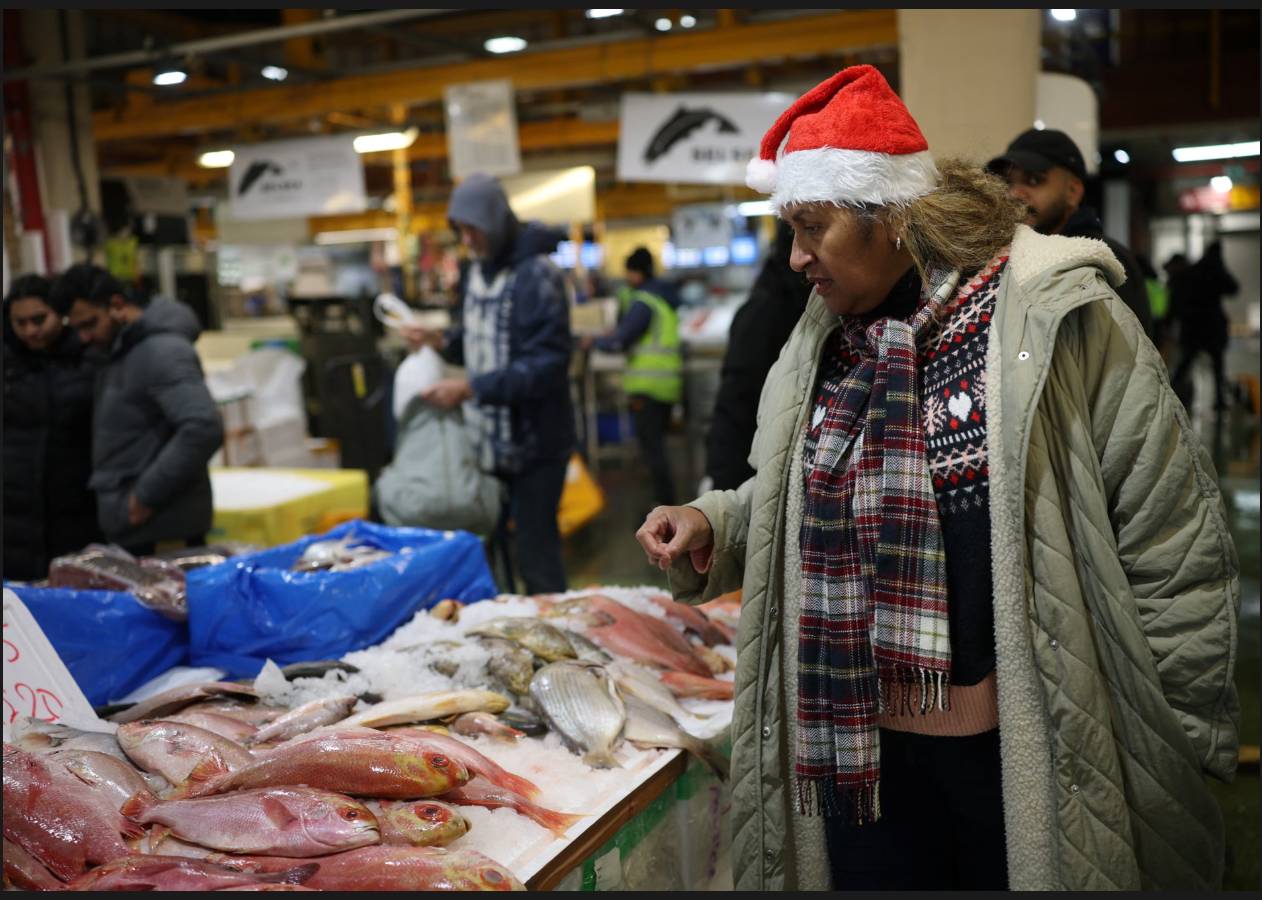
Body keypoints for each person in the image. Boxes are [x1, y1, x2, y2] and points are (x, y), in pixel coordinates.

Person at [635, 65, 1239, 891]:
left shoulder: (1053, 317)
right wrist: (719, 521)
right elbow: (807, 486)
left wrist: (1177, 737)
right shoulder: (823, 340)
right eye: (790, 230)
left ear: (890, 215)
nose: (797, 256)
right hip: (857, 750)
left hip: (1024, 751)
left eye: (812, 227)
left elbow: (1169, 533)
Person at [400, 173, 575, 595]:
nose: (467, 239)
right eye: (460, 230)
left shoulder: (538, 276)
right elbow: (479, 338)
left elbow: (547, 365)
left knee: (536, 556)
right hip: (488, 448)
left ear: (495, 222)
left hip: (536, 447)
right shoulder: (476, 272)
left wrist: (471, 389)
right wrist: (439, 339)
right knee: (494, 556)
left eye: (473, 229)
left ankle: (555, 628)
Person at [49, 265, 223, 556]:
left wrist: (143, 498)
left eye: (90, 324)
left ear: (117, 305)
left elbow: (203, 427)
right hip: (138, 533)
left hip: (164, 535)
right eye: (77, 328)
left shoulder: (160, 351)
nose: (84, 337)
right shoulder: (118, 351)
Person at [987, 127, 1153, 339]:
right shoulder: (1002, 258)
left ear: (1073, 191)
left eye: (1034, 180)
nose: (1014, 194)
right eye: (1008, 182)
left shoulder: (1105, 261)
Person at [3, 274, 102, 580]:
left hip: (79, 509)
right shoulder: (7, 365)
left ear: (59, 313)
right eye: (20, 323)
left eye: (38, 319)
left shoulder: (89, 357)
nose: (30, 331)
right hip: (16, 516)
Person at [705, 220, 812, 490]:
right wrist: (723, 491)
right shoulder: (768, 312)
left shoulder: (822, 310)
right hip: (752, 476)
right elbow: (736, 405)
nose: (801, 258)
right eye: (812, 229)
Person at [581, 246, 682, 507]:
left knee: (652, 450)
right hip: (666, 384)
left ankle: (663, 505)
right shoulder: (663, 298)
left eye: (629, 272)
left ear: (637, 273)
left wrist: (594, 342)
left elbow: (621, 338)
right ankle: (664, 502)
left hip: (648, 386)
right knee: (657, 447)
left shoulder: (644, 302)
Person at [1169, 240, 1240, 411]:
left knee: (1186, 362)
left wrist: (1172, 320)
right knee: (1217, 366)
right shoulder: (1216, 269)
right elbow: (1233, 288)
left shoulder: (1193, 270)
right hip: (1212, 326)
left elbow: (1178, 297)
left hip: (1193, 325)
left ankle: (1168, 393)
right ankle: (1219, 400)